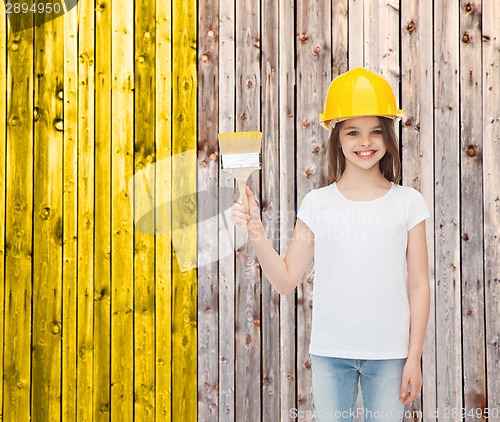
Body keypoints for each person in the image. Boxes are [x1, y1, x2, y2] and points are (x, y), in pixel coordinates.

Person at [231, 67, 431, 422]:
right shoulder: (317, 204)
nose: (365, 142)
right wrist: (256, 230)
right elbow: (286, 279)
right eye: (353, 132)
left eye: (375, 132)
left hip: (390, 353)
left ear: (387, 137)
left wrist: (413, 357)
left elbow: (418, 284)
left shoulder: (408, 202)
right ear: (337, 137)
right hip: (330, 352)